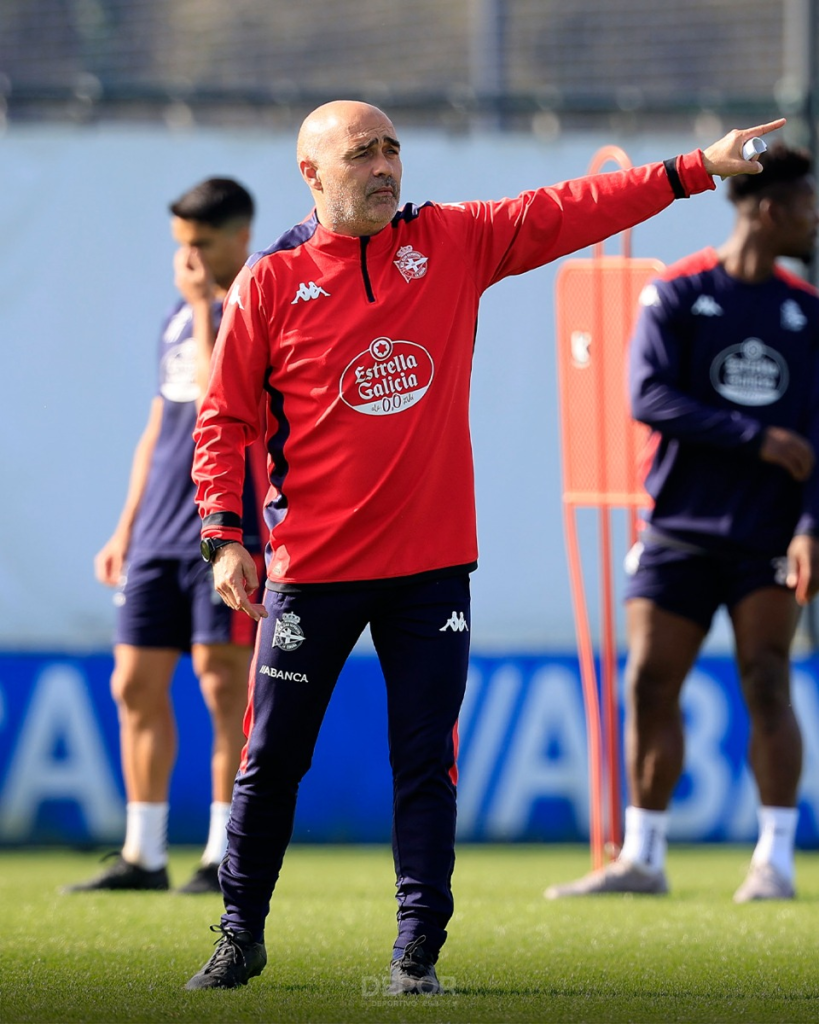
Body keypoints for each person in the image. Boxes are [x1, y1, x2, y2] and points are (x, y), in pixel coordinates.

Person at [182, 99, 785, 992]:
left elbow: (572, 207)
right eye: (361, 154)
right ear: (311, 173)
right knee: (272, 761)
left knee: (425, 761)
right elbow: (224, 419)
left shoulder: (452, 242)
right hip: (310, 571)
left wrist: (698, 166)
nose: (385, 166)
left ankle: (416, 953)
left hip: (431, 568)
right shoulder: (269, 284)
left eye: (393, 149)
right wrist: (225, 540)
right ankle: (239, 934)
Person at [545, 143, 819, 904]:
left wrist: (811, 525)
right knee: (649, 681)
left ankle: (773, 861)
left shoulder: (806, 313)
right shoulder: (677, 293)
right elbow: (647, 398)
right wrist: (755, 436)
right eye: (805, 206)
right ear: (767, 211)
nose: (814, 218)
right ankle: (642, 856)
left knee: (767, 680)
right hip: (677, 529)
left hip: (768, 535)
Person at [65, 178, 265, 896]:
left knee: (221, 689)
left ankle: (222, 855)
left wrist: (204, 309)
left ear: (239, 239)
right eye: (179, 243)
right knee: (133, 684)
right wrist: (124, 527)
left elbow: (223, 400)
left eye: (200, 244)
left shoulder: (255, 302)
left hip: (226, 528)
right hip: (157, 534)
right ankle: (143, 852)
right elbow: (160, 427)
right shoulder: (175, 322)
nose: (185, 258)